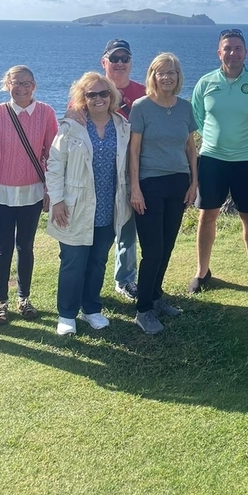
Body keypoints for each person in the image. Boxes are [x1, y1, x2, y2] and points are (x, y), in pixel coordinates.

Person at [46, 73, 131, 336]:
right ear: (83, 98)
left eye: (103, 93)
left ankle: (91, 309)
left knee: (98, 261)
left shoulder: (122, 126)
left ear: (111, 96)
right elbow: (55, 164)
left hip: (109, 205)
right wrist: (57, 200)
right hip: (75, 206)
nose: (98, 99)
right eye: (91, 94)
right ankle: (67, 314)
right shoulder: (71, 127)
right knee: (73, 262)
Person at [189, 29, 248, 294]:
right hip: (212, 160)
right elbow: (198, 118)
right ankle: (202, 272)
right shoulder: (205, 83)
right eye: (227, 48)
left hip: (247, 161)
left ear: (245, 52)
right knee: (207, 215)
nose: (232, 53)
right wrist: (215, 140)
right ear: (218, 52)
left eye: (238, 48)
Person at [129, 53, 198, 334]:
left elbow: (190, 147)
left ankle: (156, 297)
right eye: (161, 72)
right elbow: (133, 151)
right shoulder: (141, 107)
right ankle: (143, 309)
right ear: (153, 76)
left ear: (178, 76)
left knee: (167, 246)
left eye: (172, 72)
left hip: (178, 182)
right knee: (153, 250)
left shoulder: (185, 107)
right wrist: (135, 187)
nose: (167, 77)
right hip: (149, 184)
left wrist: (194, 183)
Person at [0, 66, 58, 324]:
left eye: (27, 83)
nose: (21, 88)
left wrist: (51, 190)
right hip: (0, 191)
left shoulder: (46, 112)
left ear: (34, 85)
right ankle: (1, 303)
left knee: (25, 247)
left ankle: (24, 298)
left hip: (32, 191)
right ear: (7, 84)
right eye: (16, 83)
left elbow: (52, 155)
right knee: (3, 248)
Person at [100, 40, 144, 301]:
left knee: (128, 230)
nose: (119, 63)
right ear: (103, 62)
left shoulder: (142, 91)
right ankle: (91, 279)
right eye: (114, 58)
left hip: (132, 171)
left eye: (124, 58)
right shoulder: (93, 89)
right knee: (100, 231)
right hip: (100, 172)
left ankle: (125, 280)